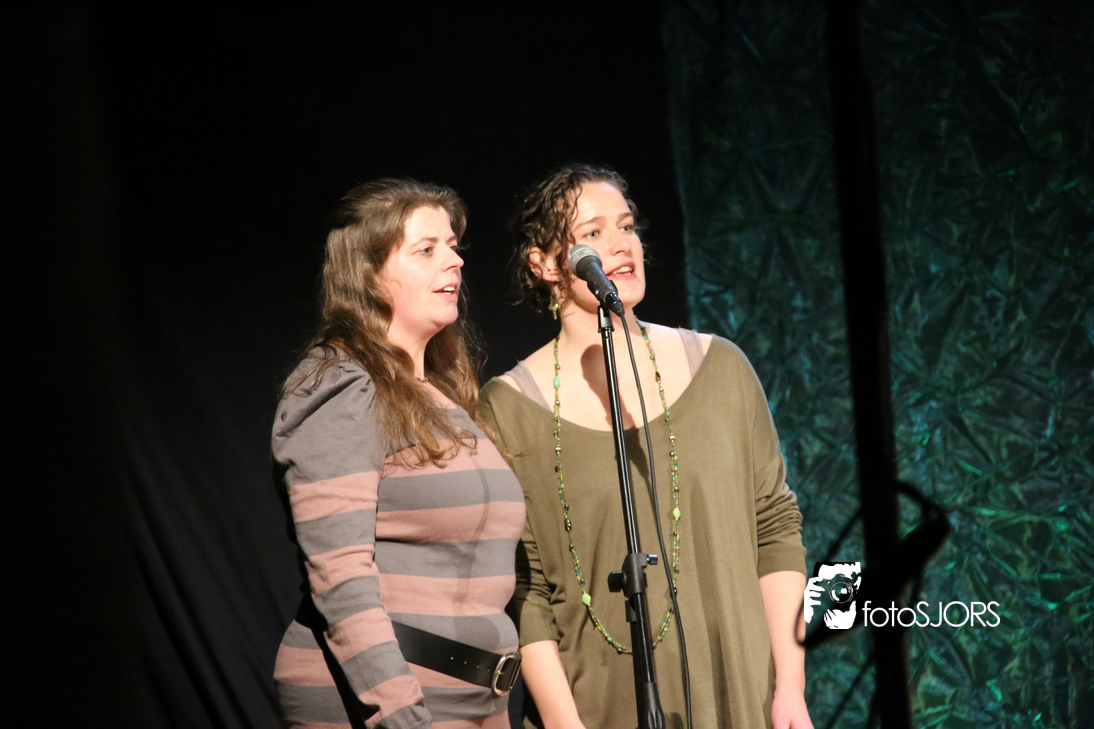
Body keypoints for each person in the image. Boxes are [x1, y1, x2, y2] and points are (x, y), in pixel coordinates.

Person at [479, 164, 813, 729]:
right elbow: (525, 591)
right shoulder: (509, 408)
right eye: (592, 233)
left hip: (743, 700)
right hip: (599, 709)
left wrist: (790, 689)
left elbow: (775, 530)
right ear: (544, 265)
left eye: (627, 226)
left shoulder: (721, 368)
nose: (620, 245)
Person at [272, 178, 525, 729]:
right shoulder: (341, 385)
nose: (454, 260)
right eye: (426, 249)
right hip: (389, 698)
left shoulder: (442, 394)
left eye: (453, 245)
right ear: (369, 275)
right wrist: (400, 713)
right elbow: (340, 576)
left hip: (478, 700)